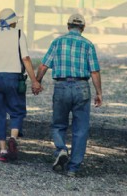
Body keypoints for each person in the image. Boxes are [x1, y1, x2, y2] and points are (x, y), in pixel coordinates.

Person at [36, 13, 102, 177]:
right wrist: (99, 93)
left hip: (61, 86)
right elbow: (94, 71)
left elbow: (44, 66)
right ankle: (73, 168)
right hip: (81, 87)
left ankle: (61, 149)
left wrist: (37, 81)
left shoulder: (57, 42)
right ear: (83, 28)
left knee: (58, 124)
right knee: (81, 128)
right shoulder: (88, 45)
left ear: (68, 26)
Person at [0, 8, 41, 162]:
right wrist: (34, 80)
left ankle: (3, 150)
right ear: (12, 22)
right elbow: (26, 58)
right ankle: (13, 137)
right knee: (17, 110)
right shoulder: (18, 34)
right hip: (13, 77)